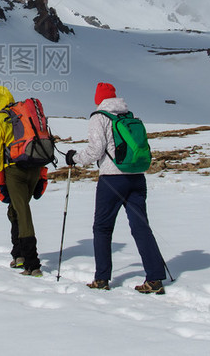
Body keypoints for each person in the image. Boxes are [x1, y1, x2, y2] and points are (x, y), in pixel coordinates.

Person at [66, 82, 167, 294]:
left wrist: (74, 158)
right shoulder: (129, 116)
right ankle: (155, 278)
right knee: (141, 227)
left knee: (102, 228)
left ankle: (102, 278)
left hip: (112, 180)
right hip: (137, 177)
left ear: (99, 99)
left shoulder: (99, 117)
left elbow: (95, 151)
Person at [0, 85, 43, 277]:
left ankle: (32, 264)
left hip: (15, 171)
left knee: (22, 212)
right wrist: (42, 175)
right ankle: (18, 255)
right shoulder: (25, 114)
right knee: (15, 209)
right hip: (34, 168)